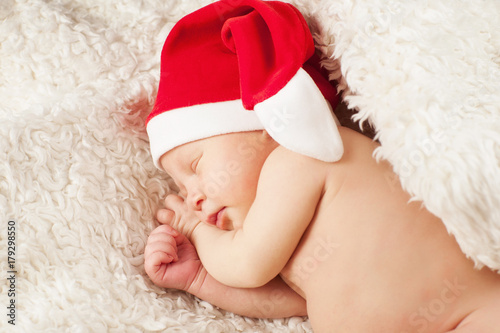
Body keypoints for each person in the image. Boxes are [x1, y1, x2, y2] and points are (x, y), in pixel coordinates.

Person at [144, 1, 500, 332]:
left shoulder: (299, 158)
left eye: (195, 166)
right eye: (182, 188)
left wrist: (196, 230)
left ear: (264, 127)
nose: (191, 197)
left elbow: (246, 265)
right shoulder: (280, 233)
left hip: (471, 312)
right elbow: (299, 301)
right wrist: (199, 281)